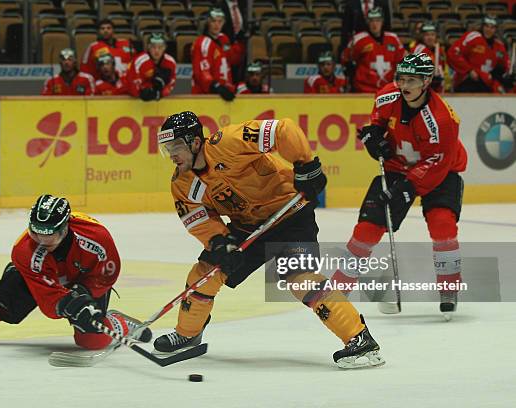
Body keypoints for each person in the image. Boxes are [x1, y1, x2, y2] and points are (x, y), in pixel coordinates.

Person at [152, 111, 385, 369]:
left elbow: (282, 130)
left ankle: (360, 339)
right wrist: (220, 242)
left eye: (175, 147)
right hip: (247, 227)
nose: (171, 155)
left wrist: (305, 164)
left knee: (301, 279)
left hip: (290, 217)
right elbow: (199, 220)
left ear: (195, 142)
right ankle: (188, 334)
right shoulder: (182, 183)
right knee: (204, 273)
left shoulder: (227, 142)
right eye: (166, 148)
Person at [330, 54, 468, 316]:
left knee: (442, 225)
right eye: (401, 79)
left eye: (411, 80)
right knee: (367, 229)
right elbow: (377, 122)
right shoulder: (387, 96)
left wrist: (409, 186)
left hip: (441, 171)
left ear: (426, 81)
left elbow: (437, 161)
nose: (404, 85)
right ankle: (337, 289)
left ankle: (449, 286)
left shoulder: (443, 120)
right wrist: (372, 137)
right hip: (397, 166)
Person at [0, 195, 152, 350]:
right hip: (39, 279)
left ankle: (117, 322)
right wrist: (67, 304)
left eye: (49, 234)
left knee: (90, 339)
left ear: (65, 227)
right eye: (36, 232)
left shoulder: (97, 237)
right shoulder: (24, 251)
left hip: (85, 279)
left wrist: (84, 294)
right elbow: (49, 303)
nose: (42, 240)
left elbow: (108, 273)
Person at [341, 7, 405, 93]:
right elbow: (345, 58)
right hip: (364, 91)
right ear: (367, 22)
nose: (374, 24)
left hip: (388, 91)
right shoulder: (358, 39)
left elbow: (402, 60)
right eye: (371, 21)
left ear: (382, 22)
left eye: (377, 20)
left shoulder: (393, 38)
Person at [447, 15, 513, 93]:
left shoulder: (499, 46)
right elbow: (453, 53)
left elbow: (505, 66)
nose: (489, 30)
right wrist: (469, 70)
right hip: (466, 81)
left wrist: (505, 76)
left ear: (496, 29)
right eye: (487, 26)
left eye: (492, 27)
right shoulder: (473, 37)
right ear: (482, 26)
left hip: (487, 84)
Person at [191, 8, 243, 101]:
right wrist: (216, 86)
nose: (217, 25)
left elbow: (232, 59)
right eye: (213, 21)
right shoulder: (202, 43)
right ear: (208, 22)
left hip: (225, 92)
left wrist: (239, 42)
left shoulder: (223, 39)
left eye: (220, 21)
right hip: (206, 95)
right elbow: (202, 72)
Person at [127, 33, 177, 101]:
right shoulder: (141, 61)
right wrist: (142, 91)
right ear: (148, 47)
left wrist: (161, 93)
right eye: (153, 47)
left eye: (160, 47)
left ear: (165, 48)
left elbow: (172, 81)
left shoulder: (170, 62)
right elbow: (132, 82)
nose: (156, 50)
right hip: (135, 100)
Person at [410, 22, 446, 92]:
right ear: (422, 36)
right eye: (427, 35)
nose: (430, 37)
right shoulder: (419, 49)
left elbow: (442, 67)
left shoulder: (439, 49)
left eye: (432, 35)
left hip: (437, 89)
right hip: (422, 89)